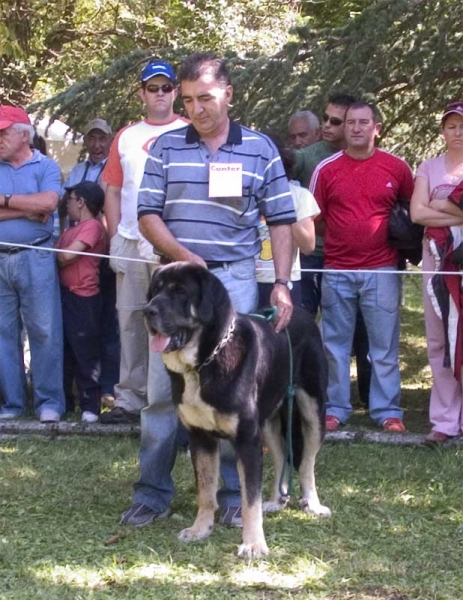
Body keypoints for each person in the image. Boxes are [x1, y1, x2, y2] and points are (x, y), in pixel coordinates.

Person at [119, 51, 295, 528]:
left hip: (234, 280)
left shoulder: (260, 149)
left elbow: (281, 221)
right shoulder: (166, 148)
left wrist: (280, 283)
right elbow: (147, 214)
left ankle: (236, 498)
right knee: (162, 395)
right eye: (189, 98)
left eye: (207, 98)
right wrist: (183, 257)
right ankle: (152, 493)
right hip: (175, 285)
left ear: (229, 95)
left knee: (238, 397)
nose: (197, 108)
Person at [310, 100, 414, 432]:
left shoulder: (397, 168)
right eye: (351, 122)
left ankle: (387, 411)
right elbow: (314, 218)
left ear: (376, 128)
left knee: (383, 346)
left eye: (363, 122)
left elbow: (412, 213)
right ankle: (335, 408)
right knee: (334, 345)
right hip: (337, 268)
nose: (356, 128)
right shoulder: (326, 169)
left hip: (382, 268)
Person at [100, 61, 189, 424]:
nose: (160, 94)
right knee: (131, 320)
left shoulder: (189, 130)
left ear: (175, 92)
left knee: (174, 322)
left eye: (166, 87)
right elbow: (113, 189)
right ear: (142, 93)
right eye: (153, 88)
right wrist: (113, 239)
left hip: (172, 242)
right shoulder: (126, 135)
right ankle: (131, 399)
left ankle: (175, 400)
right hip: (129, 239)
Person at [294, 93, 372, 407]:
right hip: (313, 256)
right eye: (325, 118)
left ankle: (369, 397)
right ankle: (306, 391)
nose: (328, 125)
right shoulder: (308, 157)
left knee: (364, 333)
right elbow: (283, 167)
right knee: (307, 324)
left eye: (335, 121)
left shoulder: (376, 161)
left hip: (356, 260)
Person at [0, 105, 64, 422]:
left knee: (45, 332)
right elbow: (37, 206)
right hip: (0, 258)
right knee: (3, 333)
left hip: (36, 256)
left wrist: (5, 201)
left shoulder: (46, 166)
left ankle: (49, 403)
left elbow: (49, 203)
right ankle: (12, 404)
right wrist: (25, 209)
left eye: (3, 132)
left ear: (24, 135)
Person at [410, 101, 463, 444]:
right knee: (439, 338)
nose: (457, 133)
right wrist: (457, 214)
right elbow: (417, 213)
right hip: (436, 261)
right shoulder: (428, 167)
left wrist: (439, 206)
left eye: (462, 126)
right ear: (442, 131)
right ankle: (444, 421)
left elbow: (430, 209)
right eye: (451, 126)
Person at [60, 118, 119, 408]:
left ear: (110, 140)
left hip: (104, 254)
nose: (97, 145)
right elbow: (67, 208)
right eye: (92, 138)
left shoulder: (114, 167)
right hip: (80, 253)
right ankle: (82, 391)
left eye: (102, 139)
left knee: (108, 326)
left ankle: (108, 387)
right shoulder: (78, 171)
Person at [56, 181, 107, 422]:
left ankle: (90, 406)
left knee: (85, 352)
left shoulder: (92, 227)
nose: (67, 203)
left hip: (84, 297)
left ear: (81, 201)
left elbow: (66, 256)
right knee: (66, 350)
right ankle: (66, 401)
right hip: (65, 294)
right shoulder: (70, 228)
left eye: (71, 198)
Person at [256, 132, 319, 307]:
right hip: (246, 280)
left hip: (285, 282)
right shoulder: (242, 194)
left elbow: (308, 246)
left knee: (283, 334)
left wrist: (283, 208)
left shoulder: (299, 195)